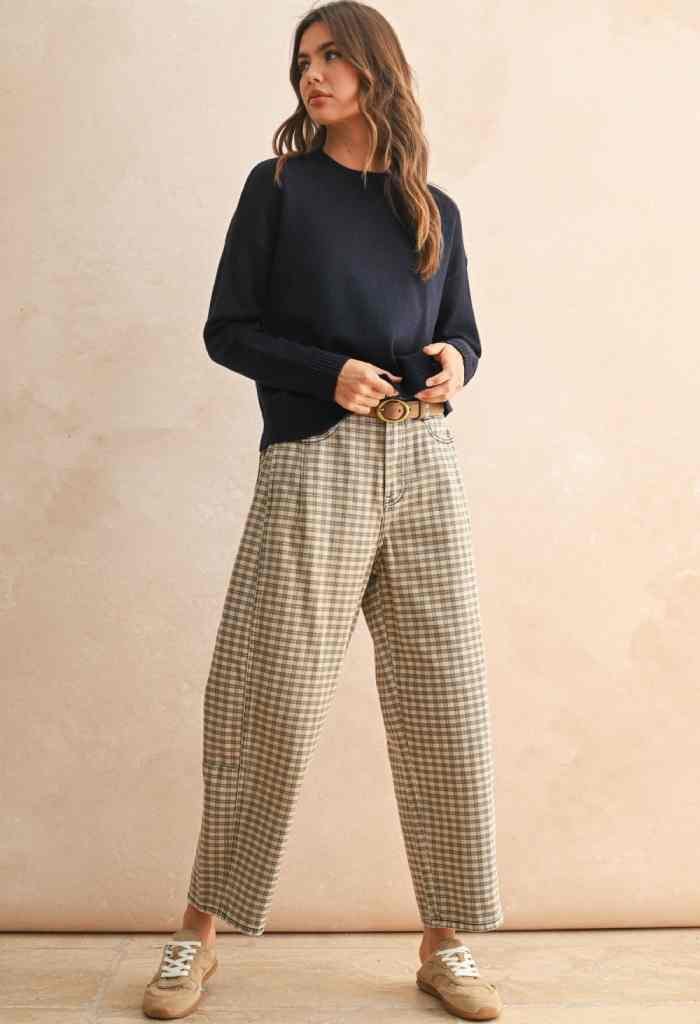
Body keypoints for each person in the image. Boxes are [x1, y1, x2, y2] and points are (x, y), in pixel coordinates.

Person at [142, 2, 504, 1019]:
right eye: (304, 58)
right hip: (315, 460)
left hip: (424, 462)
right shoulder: (280, 188)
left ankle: (446, 942)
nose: (314, 73)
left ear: (378, 68)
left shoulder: (432, 206)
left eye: (335, 55)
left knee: (446, 696)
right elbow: (228, 329)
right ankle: (197, 933)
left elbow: (466, 333)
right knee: (266, 693)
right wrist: (325, 373)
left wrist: (455, 363)